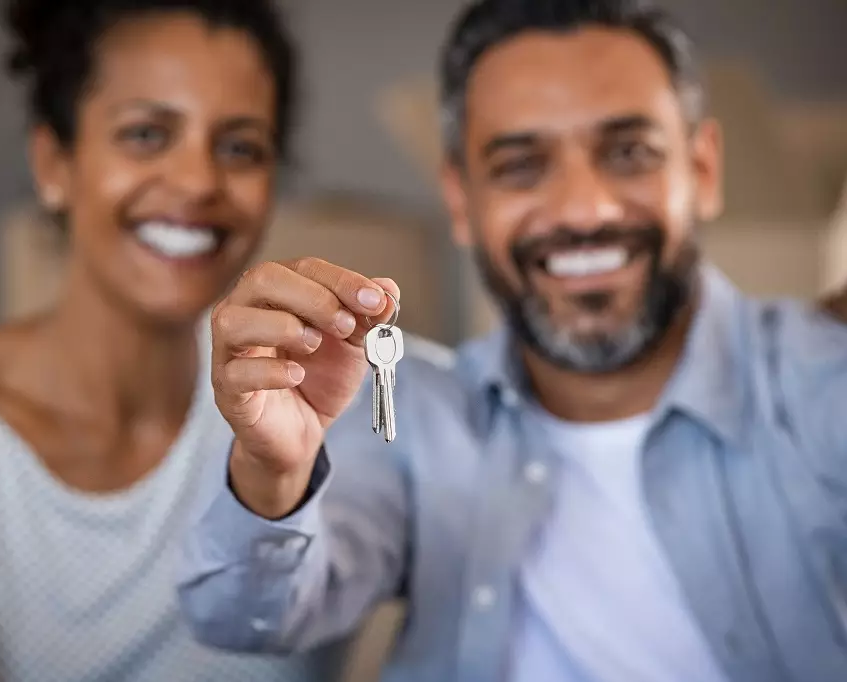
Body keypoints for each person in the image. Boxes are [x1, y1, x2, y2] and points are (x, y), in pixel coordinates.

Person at [176, 1, 847, 681]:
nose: (584, 209)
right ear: (462, 201)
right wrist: (274, 473)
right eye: (520, 165)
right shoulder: (413, 418)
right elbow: (242, 618)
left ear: (701, 170)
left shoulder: (825, 381)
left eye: (628, 153)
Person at [0, 0, 350, 680]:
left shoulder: (323, 402)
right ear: (54, 163)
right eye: (145, 135)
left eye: (238, 147)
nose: (196, 182)